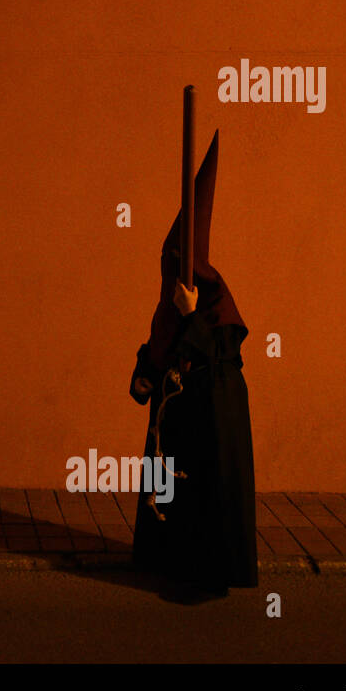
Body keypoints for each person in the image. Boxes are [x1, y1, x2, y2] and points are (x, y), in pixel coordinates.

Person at [128, 129, 257, 597]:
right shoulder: (170, 301)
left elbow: (222, 356)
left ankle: (205, 576)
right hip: (175, 417)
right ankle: (165, 557)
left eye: (176, 261)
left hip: (211, 417)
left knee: (203, 493)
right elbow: (158, 346)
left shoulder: (217, 300)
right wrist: (145, 374)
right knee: (167, 489)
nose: (169, 271)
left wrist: (192, 316)